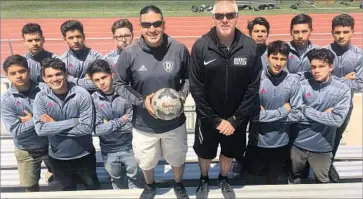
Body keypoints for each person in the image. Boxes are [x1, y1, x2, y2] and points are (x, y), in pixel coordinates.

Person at [113, 5, 190, 199]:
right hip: (143, 124)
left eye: (157, 23)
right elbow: (119, 83)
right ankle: (150, 185)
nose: (152, 29)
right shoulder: (130, 53)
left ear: (163, 24)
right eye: (147, 24)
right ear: (140, 27)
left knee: (177, 158)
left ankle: (178, 183)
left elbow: (190, 78)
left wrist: (180, 97)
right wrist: (142, 102)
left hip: (174, 123)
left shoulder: (178, 49)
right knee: (146, 162)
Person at [189, 1, 262, 198]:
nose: (225, 19)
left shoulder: (250, 46)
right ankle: (204, 178)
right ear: (213, 18)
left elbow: (253, 87)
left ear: (237, 17)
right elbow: (196, 87)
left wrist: (235, 120)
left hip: (235, 119)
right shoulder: (201, 46)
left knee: (229, 151)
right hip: (208, 117)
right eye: (220, 15)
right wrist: (214, 119)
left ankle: (223, 177)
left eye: (230, 15)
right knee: (205, 152)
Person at [33, 57, 100, 191]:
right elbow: (40, 130)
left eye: (58, 74)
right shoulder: (41, 98)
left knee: (92, 189)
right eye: (50, 76)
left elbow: (86, 128)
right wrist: (73, 121)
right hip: (58, 158)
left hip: (84, 155)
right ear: (44, 79)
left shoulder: (81, 94)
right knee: (67, 192)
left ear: (65, 74)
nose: (55, 79)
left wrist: (54, 125)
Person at [289, 48, 351, 184]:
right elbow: (294, 115)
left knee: (322, 182)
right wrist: (323, 115)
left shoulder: (342, 90)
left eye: (321, 66)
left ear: (331, 67)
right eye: (313, 67)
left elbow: (337, 120)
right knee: (294, 178)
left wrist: (306, 109)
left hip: (322, 147)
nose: (316, 71)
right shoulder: (302, 86)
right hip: (298, 144)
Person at [244, 40, 301, 185]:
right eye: (275, 58)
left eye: (282, 59)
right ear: (267, 57)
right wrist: (284, 110)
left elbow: (297, 114)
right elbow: (254, 115)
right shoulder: (256, 80)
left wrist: (267, 115)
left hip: (281, 142)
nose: (278, 63)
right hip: (257, 142)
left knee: (273, 179)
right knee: (251, 176)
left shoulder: (293, 81)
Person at [87, 59, 144, 189]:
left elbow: (132, 124)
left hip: (130, 148)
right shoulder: (93, 99)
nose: (101, 82)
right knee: (117, 180)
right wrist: (121, 120)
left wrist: (109, 125)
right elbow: (98, 130)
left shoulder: (126, 94)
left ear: (111, 74)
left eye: (104, 77)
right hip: (108, 151)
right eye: (97, 80)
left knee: (135, 179)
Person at [1, 55, 51, 192]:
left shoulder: (45, 89)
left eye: (21, 71)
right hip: (26, 150)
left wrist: (30, 120)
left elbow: (55, 115)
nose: (18, 76)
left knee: (62, 180)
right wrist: (39, 118)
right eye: (13, 73)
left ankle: (51, 173)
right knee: (29, 187)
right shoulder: (6, 100)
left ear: (28, 71)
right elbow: (15, 131)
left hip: (50, 145)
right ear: (6, 75)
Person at [325, 14, 363, 182]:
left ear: (352, 32)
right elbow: (318, 80)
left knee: (337, 135)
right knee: (322, 133)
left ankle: (328, 164)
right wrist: (345, 79)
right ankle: (315, 163)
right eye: (337, 32)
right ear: (332, 32)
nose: (341, 36)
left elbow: (360, 83)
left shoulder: (359, 55)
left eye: (345, 32)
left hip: (345, 106)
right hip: (323, 103)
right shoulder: (323, 52)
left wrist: (332, 80)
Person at [233, 16, 270, 177]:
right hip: (243, 101)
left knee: (256, 134)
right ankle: (239, 161)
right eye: (256, 31)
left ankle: (251, 159)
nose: (260, 34)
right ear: (250, 33)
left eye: (263, 31)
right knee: (239, 133)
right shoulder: (241, 50)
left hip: (262, 103)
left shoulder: (273, 53)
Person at [59, 20, 101, 91]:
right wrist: (87, 81)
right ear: (65, 40)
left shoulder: (96, 57)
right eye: (71, 38)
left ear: (83, 37)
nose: (75, 41)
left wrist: (71, 79)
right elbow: (61, 85)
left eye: (78, 36)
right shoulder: (62, 60)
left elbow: (99, 83)